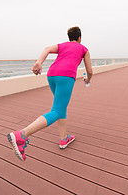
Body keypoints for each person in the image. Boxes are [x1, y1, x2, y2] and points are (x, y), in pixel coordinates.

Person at [7, 26, 93, 161]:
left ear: (69, 38)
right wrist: (88, 79)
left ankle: (64, 139)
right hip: (66, 76)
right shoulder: (83, 49)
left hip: (52, 74)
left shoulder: (62, 46)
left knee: (61, 107)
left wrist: (38, 63)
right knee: (57, 110)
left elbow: (47, 48)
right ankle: (22, 135)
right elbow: (90, 70)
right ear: (80, 38)